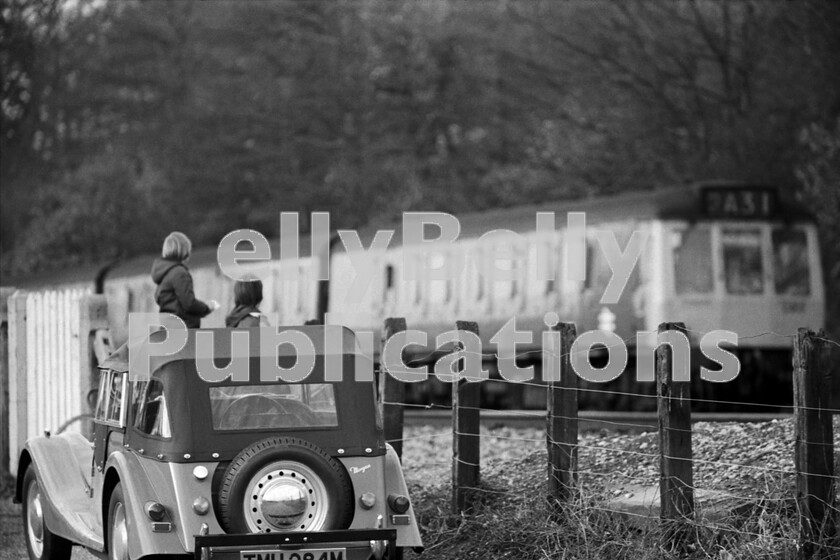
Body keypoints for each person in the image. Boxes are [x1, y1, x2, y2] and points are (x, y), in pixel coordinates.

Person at [151, 232, 219, 328]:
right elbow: (189, 304)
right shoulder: (179, 273)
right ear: (184, 250)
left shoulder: (164, 273)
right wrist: (207, 307)